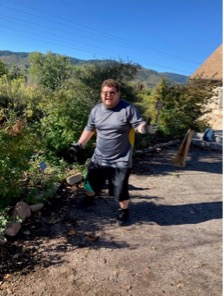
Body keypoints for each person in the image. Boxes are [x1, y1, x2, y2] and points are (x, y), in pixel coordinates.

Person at [67, 79, 157, 226]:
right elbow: (89, 128)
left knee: (120, 191)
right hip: (99, 158)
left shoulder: (128, 109)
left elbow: (138, 125)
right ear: (101, 94)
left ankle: (124, 211)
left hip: (121, 160)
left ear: (118, 94)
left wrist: (146, 128)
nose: (108, 95)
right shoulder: (96, 110)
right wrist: (79, 145)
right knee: (89, 185)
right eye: (105, 93)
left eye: (112, 93)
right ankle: (89, 199)